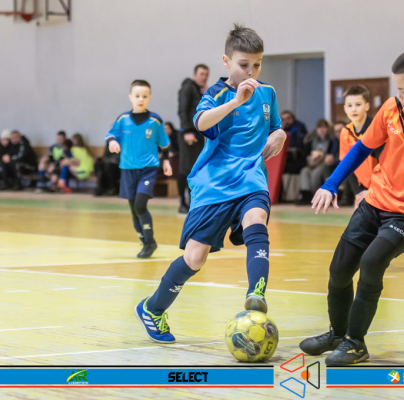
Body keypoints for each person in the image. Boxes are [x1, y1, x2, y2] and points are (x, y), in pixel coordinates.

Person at [299, 45, 404, 365]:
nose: (398, 96)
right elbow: (362, 148)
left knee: (372, 262)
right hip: (375, 201)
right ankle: (337, 335)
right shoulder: (392, 108)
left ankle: (355, 343)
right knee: (340, 269)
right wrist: (331, 184)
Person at [134, 24, 287, 344]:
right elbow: (200, 122)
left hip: (251, 178)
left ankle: (256, 294)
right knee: (195, 258)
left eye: (257, 64)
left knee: (257, 219)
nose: (251, 71)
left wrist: (280, 134)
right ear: (226, 61)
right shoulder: (215, 94)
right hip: (214, 185)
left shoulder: (268, 93)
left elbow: (274, 126)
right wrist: (235, 102)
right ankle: (152, 308)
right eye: (243, 64)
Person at [106, 79, 172, 257]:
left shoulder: (155, 121)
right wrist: (112, 142)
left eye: (144, 96)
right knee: (133, 209)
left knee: (140, 204)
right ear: (130, 97)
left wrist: (166, 161)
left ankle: (150, 242)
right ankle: (145, 242)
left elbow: (165, 144)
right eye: (137, 96)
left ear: (149, 97)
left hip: (148, 169)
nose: (140, 99)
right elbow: (112, 134)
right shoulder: (123, 119)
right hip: (128, 169)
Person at [338, 86, 384, 209]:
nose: (354, 109)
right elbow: (347, 166)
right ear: (345, 108)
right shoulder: (345, 132)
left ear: (367, 106)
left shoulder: (376, 128)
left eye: (358, 105)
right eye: (350, 105)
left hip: (383, 187)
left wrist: (373, 190)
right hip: (363, 187)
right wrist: (358, 193)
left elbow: (386, 165)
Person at [178, 64, 210, 214]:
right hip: (188, 134)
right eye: (201, 74)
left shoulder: (199, 90)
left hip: (198, 134)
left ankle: (192, 202)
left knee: (195, 169)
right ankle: (182, 203)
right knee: (185, 169)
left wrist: (206, 94)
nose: (204, 77)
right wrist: (186, 131)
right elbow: (183, 110)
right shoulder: (187, 88)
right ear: (195, 74)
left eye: (206, 74)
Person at [297, 119, 334, 204]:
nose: (321, 130)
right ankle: (305, 194)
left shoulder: (331, 140)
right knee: (304, 171)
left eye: (324, 128)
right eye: (319, 128)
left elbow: (330, 154)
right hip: (313, 163)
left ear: (327, 129)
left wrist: (321, 154)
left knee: (316, 173)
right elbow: (307, 151)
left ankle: (315, 194)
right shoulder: (313, 140)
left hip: (324, 163)